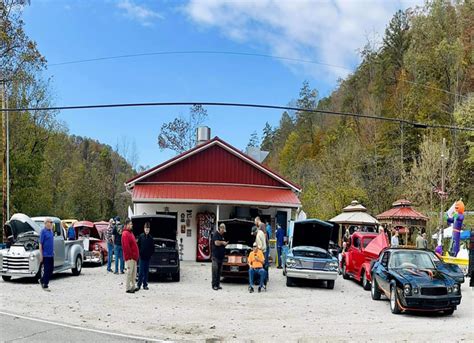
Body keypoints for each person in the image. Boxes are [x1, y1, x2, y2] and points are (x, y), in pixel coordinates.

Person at [121, 218, 139, 294]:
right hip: (130, 257)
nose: (132, 225)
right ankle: (128, 288)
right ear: (127, 225)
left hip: (134, 257)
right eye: (130, 224)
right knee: (129, 272)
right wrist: (130, 256)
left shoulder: (130, 233)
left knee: (134, 273)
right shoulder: (125, 234)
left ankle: (133, 286)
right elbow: (126, 247)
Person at [137, 221, 154, 290]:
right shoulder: (141, 236)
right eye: (146, 229)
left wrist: (150, 254)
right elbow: (138, 246)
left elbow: (152, 248)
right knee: (141, 272)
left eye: (148, 229)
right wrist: (139, 253)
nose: (147, 230)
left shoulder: (151, 238)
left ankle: (145, 285)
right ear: (144, 229)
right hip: (141, 257)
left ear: (149, 230)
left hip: (147, 258)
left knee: (146, 272)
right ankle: (139, 285)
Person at [39, 217, 55, 291]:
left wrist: (53, 250)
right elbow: (40, 244)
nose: (51, 224)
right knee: (47, 270)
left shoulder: (51, 231)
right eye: (50, 222)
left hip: (51, 254)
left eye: (52, 222)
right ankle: (45, 285)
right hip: (45, 254)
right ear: (46, 223)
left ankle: (42, 280)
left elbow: (51, 243)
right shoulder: (43, 231)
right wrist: (41, 254)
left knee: (51, 269)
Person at [211, 223, 228, 290]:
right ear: (220, 228)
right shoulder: (216, 234)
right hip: (215, 257)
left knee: (219, 272)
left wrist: (225, 244)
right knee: (215, 271)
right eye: (223, 230)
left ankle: (218, 285)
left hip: (221, 257)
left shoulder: (222, 235)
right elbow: (216, 243)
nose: (223, 232)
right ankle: (214, 285)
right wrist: (222, 242)